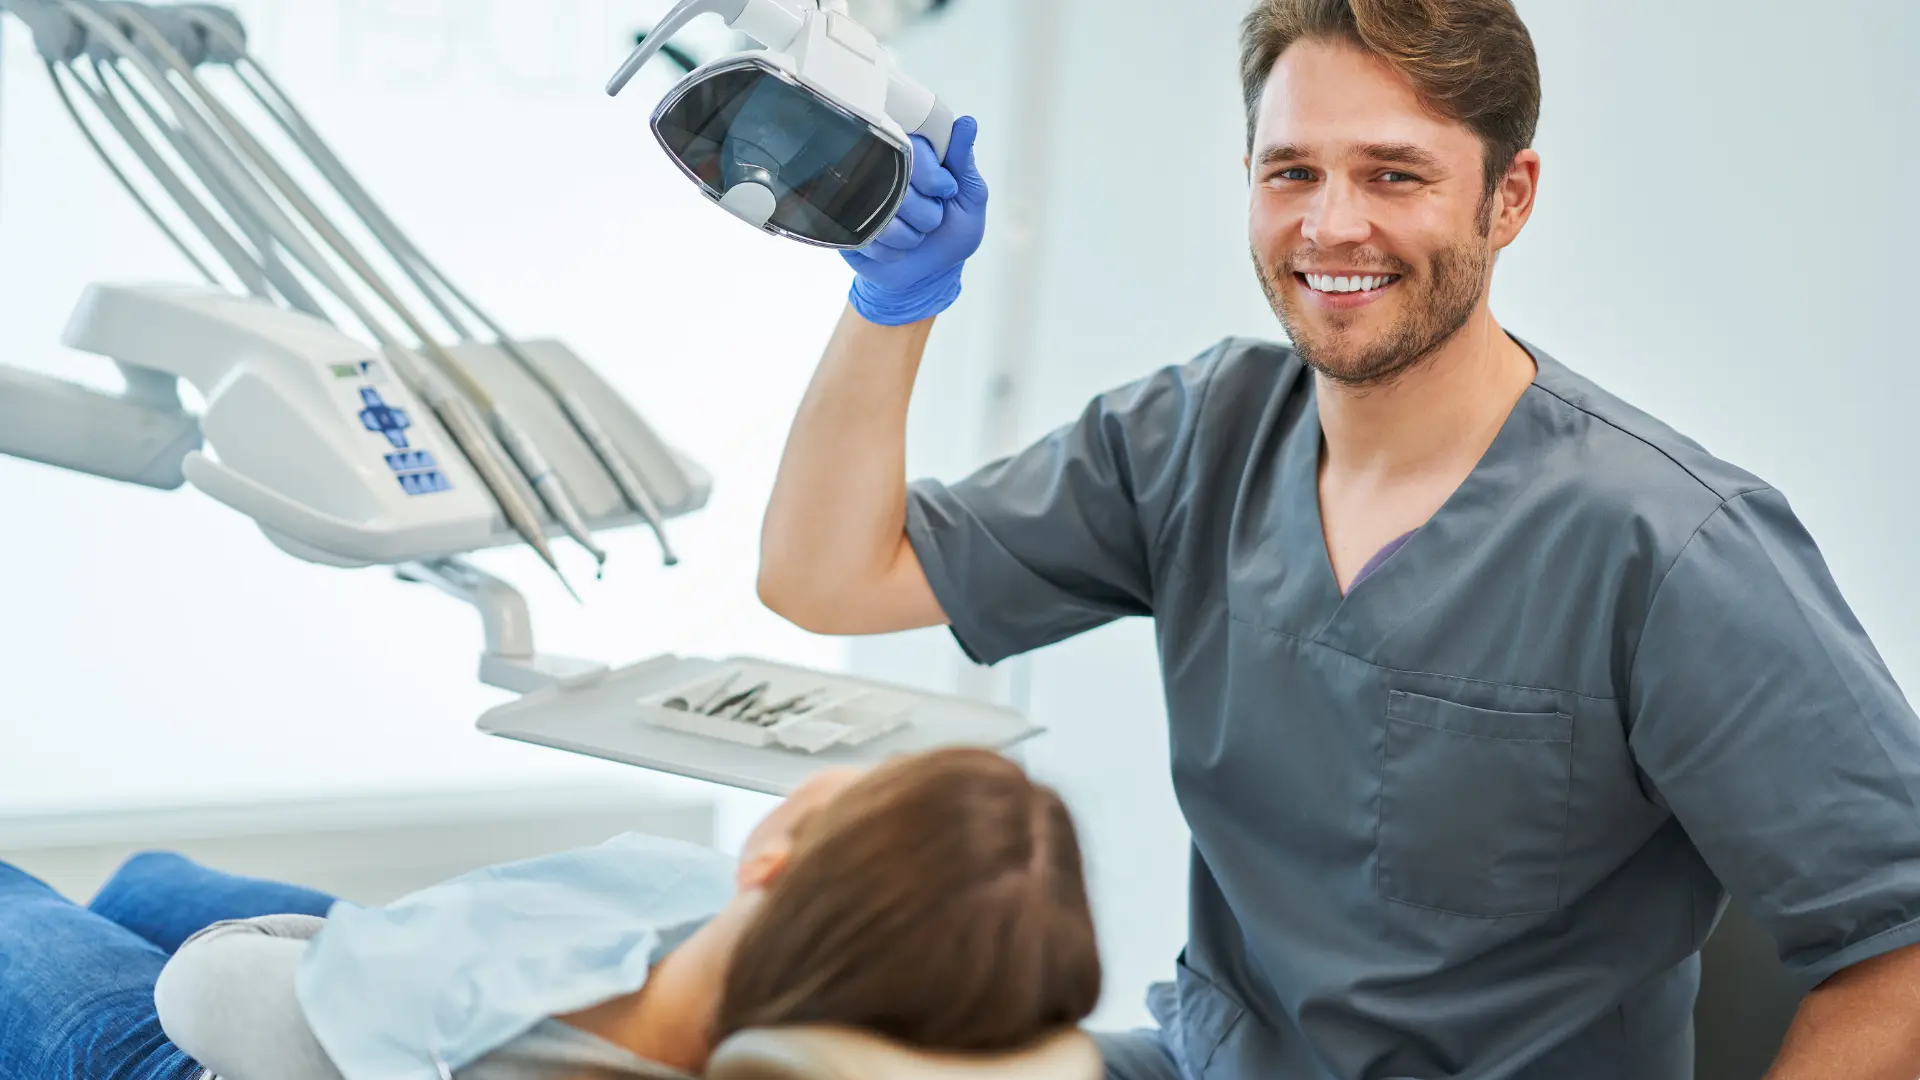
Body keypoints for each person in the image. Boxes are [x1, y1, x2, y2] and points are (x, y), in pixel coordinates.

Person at [754, 1, 1920, 1077]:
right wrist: (890, 302)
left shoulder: (1667, 544)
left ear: (1508, 197)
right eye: (1293, 170)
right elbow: (828, 577)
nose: (1331, 224)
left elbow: (1902, 951)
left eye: (1394, 174)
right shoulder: (1197, 440)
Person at [0, 748, 1101, 1080]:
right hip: (402, 980)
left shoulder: (498, 1043)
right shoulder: (815, 987)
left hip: (232, 1043)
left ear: (782, 862)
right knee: (146, 878)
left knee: (25, 904)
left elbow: (205, 989)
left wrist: (369, 954)